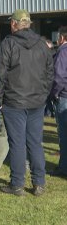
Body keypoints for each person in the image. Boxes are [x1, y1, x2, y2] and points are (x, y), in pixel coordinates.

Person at [0, 9, 53, 196]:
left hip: (15, 102)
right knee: (35, 142)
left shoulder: (8, 44)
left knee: (17, 143)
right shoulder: (42, 45)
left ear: (14, 24)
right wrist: (43, 95)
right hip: (35, 101)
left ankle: (17, 184)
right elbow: (49, 74)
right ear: (28, 24)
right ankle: (39, 183)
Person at [49, 26, 67, 178]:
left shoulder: (62, 51)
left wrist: (54, 94)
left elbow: (59, 77)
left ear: (62, 38)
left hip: (64, 97)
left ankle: (64, 168)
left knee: (64, 135)